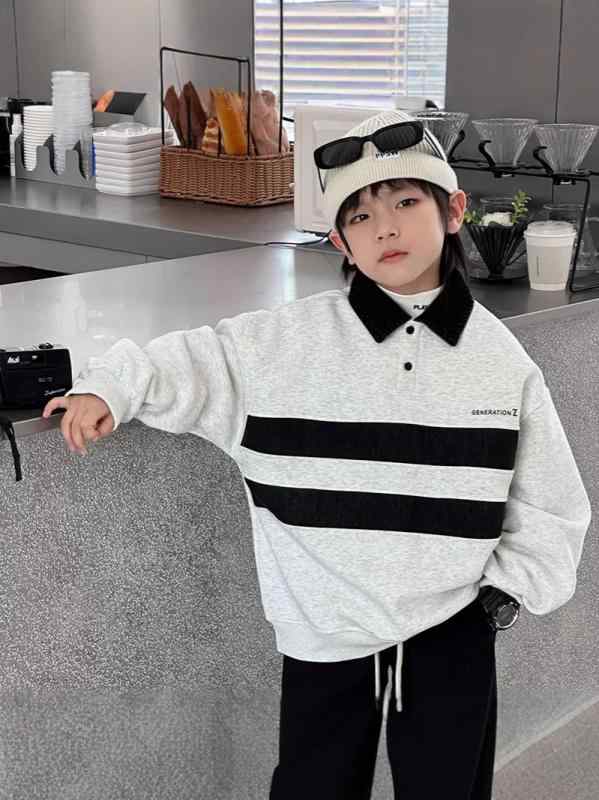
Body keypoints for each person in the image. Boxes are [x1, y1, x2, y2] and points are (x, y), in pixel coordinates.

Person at [42, 109, 592, 800]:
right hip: (324, 632)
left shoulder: (500, 361)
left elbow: (550, 499)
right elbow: (184, 360)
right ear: (340, 241)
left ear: (453, 211)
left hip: (451, 628)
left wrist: (501, 601)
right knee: (314, 787)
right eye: (360, 216)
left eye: (404, 202)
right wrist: (108, 387)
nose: (385, 227)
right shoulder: (280, 345)